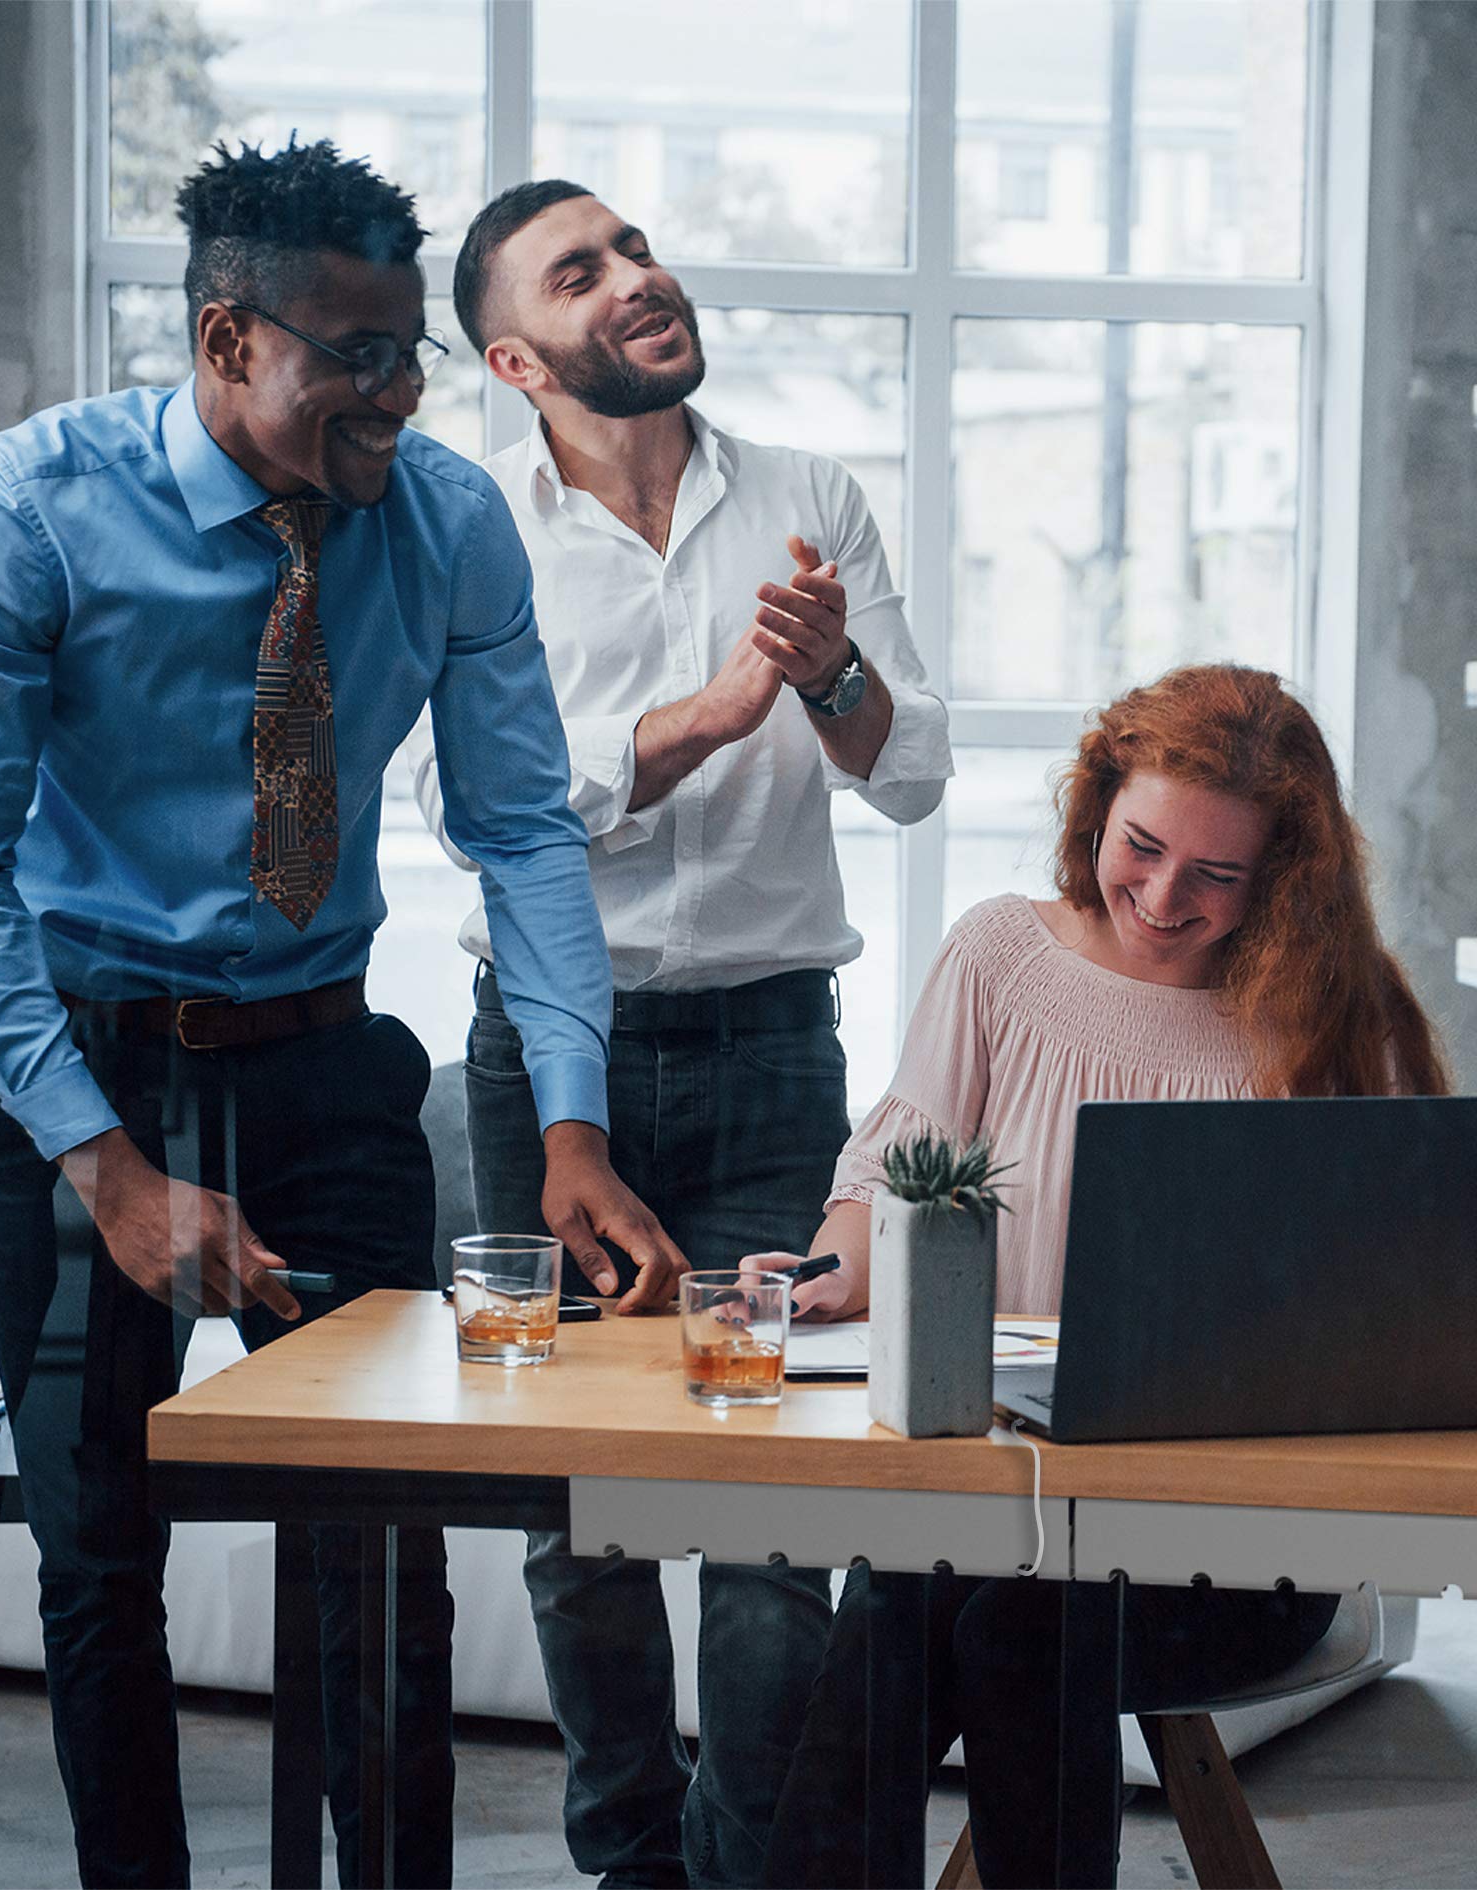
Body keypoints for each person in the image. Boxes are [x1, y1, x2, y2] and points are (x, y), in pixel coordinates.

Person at [0, 139, 682, 1890]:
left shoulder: (449, 523)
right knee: (96, 1562)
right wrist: (109, 1173)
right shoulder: (23, 511)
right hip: (79, 1077)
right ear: (232, 338)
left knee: (381, 1552)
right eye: (355, 358)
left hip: (323, 1068)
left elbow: (524, 829)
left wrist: (569, 1126)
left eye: (415, 354)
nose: (401, 394)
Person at [407, 180, 953, 1888]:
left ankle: (744, 1874)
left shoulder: (810, 497)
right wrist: (720, 710)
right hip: (546, 1063)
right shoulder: (466, 524)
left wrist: (830, 678)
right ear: (516, 355)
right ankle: (629, 1867)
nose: (639, 278)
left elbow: (914, 769)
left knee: (777, 1505)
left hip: (780, 1048)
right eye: (585, 271)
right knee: (575, 1516)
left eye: (635, 246)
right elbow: (473, 809)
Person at [747, 662, 1451, 1888]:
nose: (1164, 898)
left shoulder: (1333, 1024)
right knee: (906, 1602)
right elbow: (886, 1177)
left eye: (1216, 876)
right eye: (1142, 847)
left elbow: (1394, 1305)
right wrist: (827, 1275)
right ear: (1096, 811)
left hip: (1240, 1541)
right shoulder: (1001, 958)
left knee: (1025, 1625)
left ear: (1283, 878)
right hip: (1001, 1498)